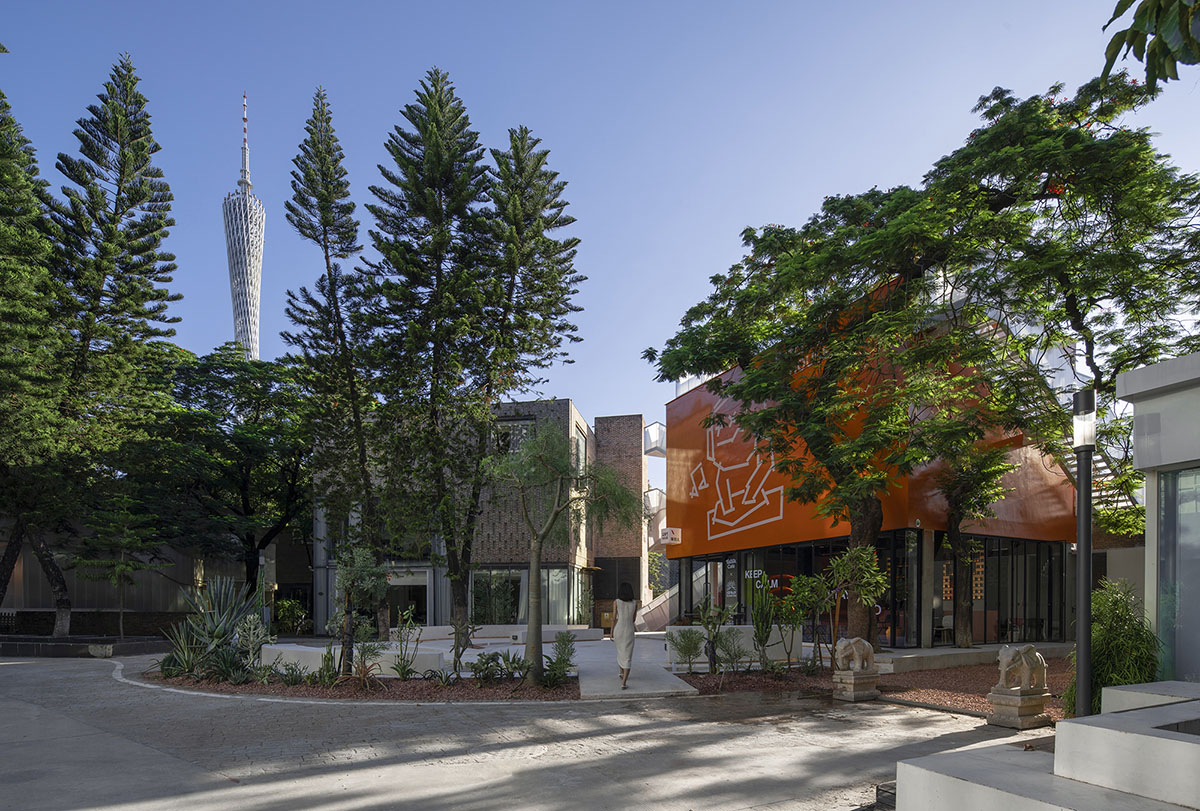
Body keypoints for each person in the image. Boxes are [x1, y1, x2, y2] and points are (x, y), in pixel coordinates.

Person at [613, 581, 637, 689]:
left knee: (620, 651)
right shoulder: (634, 603)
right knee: (627, 655)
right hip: (629, 630)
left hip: (618, 629)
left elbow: (614, 618)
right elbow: (633, 619)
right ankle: (623, 682)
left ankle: (621, 672)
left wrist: (610, 632)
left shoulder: (616, 602)